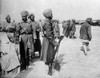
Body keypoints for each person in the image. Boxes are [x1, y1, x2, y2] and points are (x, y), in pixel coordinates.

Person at [40, 9, 59, 75]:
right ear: (48, 15)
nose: (52, 15)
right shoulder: (48, 23)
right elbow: (49, 35)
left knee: (47, 55)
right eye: (51, 14)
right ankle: (50, 70)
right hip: (49, 41)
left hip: (46, 40)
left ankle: (48, 65)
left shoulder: (47, 21)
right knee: (50, 55)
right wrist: (54, 42)